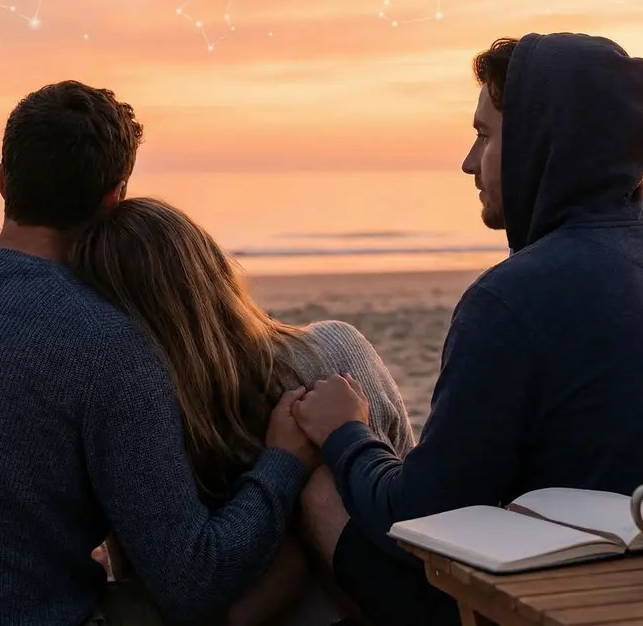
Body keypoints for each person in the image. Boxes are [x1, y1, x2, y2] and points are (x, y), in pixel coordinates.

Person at [288, 32, 643, 625]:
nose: (468, 160)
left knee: (322, 495)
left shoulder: (511, 298)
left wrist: (346, 433)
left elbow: (417, 517)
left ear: (543, 142)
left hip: (565, 609)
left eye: (485, 135)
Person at [0, 80, 317, 626]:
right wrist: (283, 463)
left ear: (3, 180)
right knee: (298, 558)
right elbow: (193, 580)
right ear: (114, 197)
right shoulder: (107, 344)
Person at [68, 196, 416, 625]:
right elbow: (401, 495)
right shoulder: (330, 352)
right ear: (211, 270)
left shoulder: (138, 413)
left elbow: (149, 573)